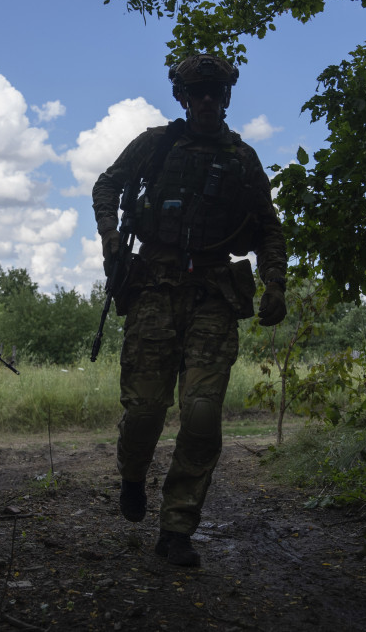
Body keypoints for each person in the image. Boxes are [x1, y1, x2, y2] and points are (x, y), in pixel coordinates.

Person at [91, 53, 288, 566]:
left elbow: (268, 226)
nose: (205, 99)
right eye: (196, 91)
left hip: (213, 295)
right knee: (145, 412)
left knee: (201, 416)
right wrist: (112, 240)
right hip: (154, 290)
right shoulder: (155, 146)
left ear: (225, 97)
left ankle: (176, 528)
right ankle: (132, 475)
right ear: (182, 96)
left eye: (214, 91)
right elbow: (107, 184)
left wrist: (276, 284)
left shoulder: (242, 159)